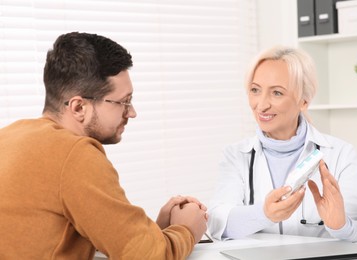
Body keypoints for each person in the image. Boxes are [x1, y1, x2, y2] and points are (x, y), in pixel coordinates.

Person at [0, 32, 207, 259]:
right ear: (79, 108)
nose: (132, 112)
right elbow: (150, 257)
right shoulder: (74, 154)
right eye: (123, 102)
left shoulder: (9, 137)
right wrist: (188, 228)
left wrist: (154, 232)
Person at [207, 46, 357, 243]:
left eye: (277, 93)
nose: (261, 104)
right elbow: (217, 224)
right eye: (255, 90)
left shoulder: (340, 154)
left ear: (304, 101)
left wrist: (342, 226)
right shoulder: (236, 155)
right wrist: (264, 213)